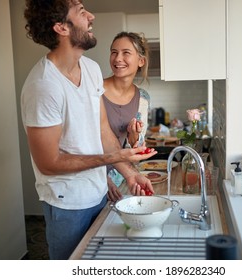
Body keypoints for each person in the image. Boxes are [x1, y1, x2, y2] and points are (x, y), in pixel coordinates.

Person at [21, 0, 156, 260]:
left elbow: (103, 130)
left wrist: (129, 174)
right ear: (61, 27)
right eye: (82, 13)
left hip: (99, 195)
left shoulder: (92, 70)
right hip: (67, 203)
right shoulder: (43, 86)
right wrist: (116, 158)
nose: (91, 16)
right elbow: (49, 163)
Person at [103, 32, 151, 202]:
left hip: (120, 180)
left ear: (141, 61)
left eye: (126, 53)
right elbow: (79, 142)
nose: (117, 59)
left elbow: (136, 146)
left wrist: (134, 135)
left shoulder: (143, 98)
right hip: (89, 180)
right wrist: (101, 180)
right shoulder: (95, 90)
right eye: (114, 52)